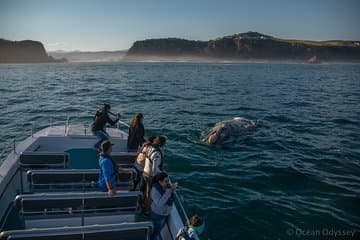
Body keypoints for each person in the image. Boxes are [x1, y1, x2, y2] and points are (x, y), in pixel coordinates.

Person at [150, 172, 178, 240]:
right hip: (158, 215)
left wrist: (171, 189)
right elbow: (159, 203)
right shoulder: (155, 191)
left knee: (159, 228)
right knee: (156, 231)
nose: (168, 182)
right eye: (166, 181)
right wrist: (169, 192)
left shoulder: (165, 186)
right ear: (160, 181)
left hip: (164, 213)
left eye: (168, 180)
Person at [142, 135, 167, 212]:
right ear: (162, 144)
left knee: (145, 191)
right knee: (150, 193)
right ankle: (147, 210)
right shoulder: (157, 153)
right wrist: (163, 173)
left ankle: (143, 204)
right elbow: (155, 169)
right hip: (150, 175)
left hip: (145, 172)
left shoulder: (150, 147)